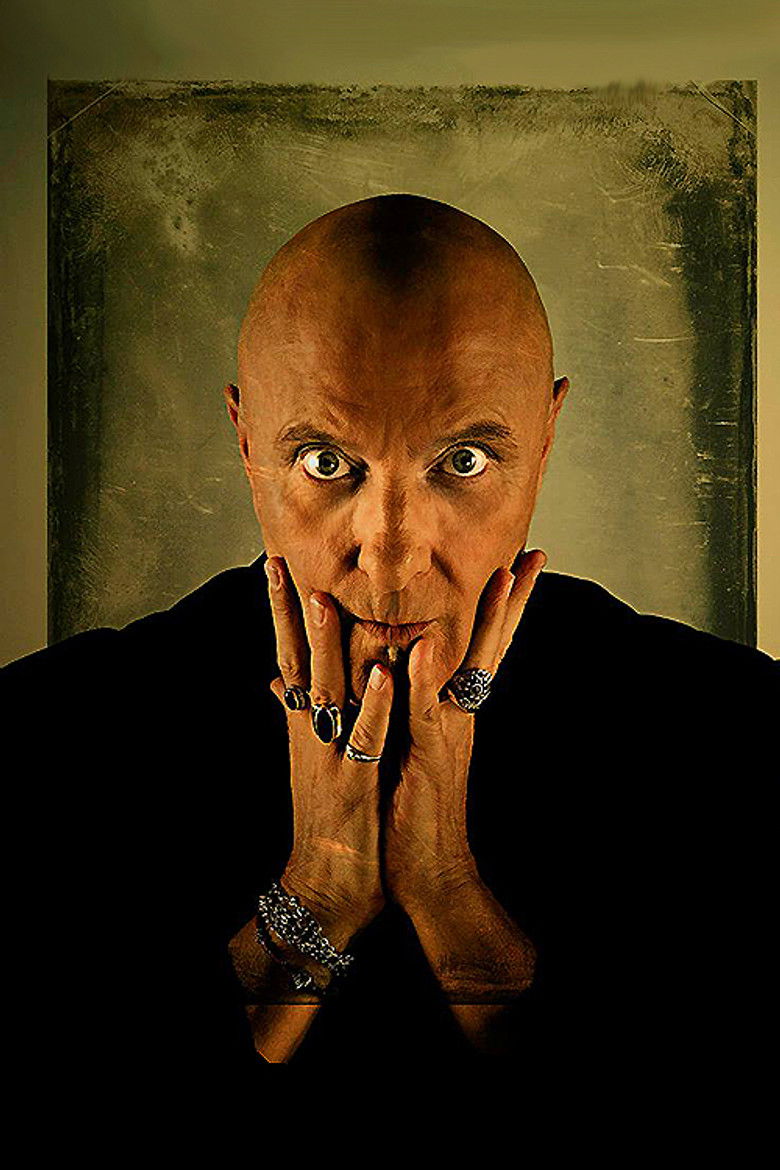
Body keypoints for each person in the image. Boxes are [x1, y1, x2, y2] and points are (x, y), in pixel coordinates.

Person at [3, 194, 777, 1089]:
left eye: (463, 461)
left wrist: (448, 887)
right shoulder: (55, 736)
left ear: (547, 437)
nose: (394, 555)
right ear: (246, 442)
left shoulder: (731, 734)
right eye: (326, 462)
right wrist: (318, 891)